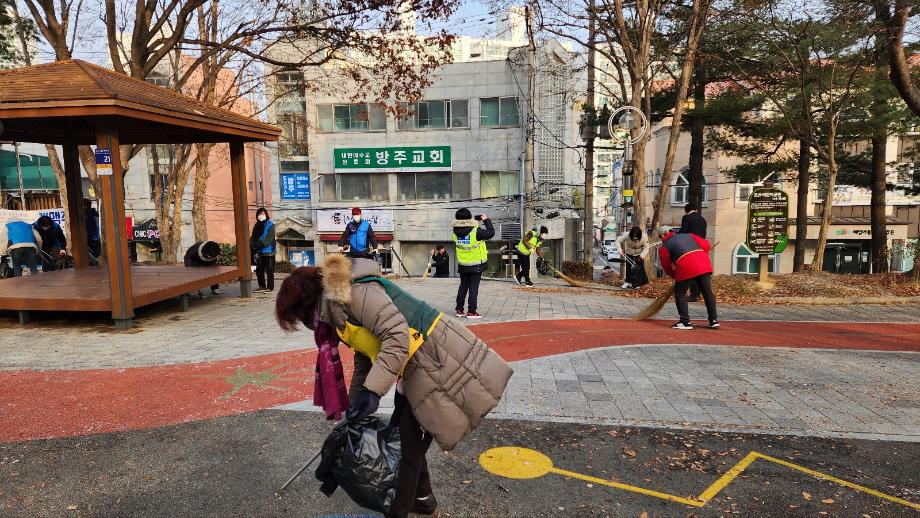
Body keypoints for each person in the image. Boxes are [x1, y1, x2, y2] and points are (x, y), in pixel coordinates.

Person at [275, 255, 512, 518]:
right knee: (403, 434)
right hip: (412, 366)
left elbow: (397, 336)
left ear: (307, 305)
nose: (307, 326)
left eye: (300, 318)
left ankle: (398, 512)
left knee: (407, 451)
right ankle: (423, 500)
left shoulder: (354, 293)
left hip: (434, 356)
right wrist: (356, 405)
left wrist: (373, 392)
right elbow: (365, 354)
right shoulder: (336, 310)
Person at [657, 226, 719, 330]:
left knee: (680, 293)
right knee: (707, 292)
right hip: (704, 264)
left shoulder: (664, 247)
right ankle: (713, 320)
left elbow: (666, 266)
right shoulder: (689, 235)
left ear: (662, 235)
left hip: (686, 266)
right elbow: (706, 245)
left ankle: (685, 322)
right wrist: (700, 256)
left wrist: (675, 276)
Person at [451, 208, 494, 319]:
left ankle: (459, 310)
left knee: (463, 287)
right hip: (476, 265)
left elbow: (466, 234)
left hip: (463, 265)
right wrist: (486, 220)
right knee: (473, 288)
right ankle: (471, 312)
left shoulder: (455, 233)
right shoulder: (476, 231)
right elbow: (491, 233)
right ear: (470, 218)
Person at [679, 203, 707, 301]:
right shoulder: (703, 219)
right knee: (698, 271)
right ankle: (697, 294)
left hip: (690, 248)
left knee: (691, 271)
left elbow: (683, 231)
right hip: (700, 248)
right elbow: (703, 234)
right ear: (696, 210)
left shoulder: (686, 218)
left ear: (686, 211)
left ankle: (693, 295)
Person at [250, 207, 276, 292]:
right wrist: (252, 244)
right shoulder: (256, 225)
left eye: (263, 214)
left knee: (269, 271)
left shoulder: (270, 225)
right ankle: (261, 286)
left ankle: (270, 287)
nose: (261, 216)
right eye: (259, 214)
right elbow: (253, 237)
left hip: (269, 252)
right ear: (257, 216)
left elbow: (269, 238)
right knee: (259, 270)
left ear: (266, 215)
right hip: (259, 252)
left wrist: (260, 244)